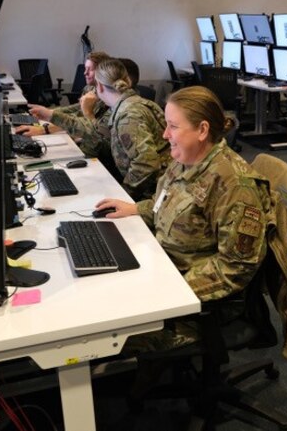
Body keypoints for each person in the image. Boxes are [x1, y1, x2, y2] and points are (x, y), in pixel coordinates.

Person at [94, 85, 273, 352]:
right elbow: (166, 203)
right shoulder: (185, 159)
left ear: (202, 130)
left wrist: (169, 291)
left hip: (198, 307)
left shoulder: (234, 185)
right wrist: (137, 209)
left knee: (104, 334)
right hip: (163, 268)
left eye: (173, 126)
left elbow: (236, 266)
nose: (165, 135)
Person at [87, 58, 170, 200]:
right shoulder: (137, 103)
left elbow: (146, 164)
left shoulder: (128, 115)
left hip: (152, 194)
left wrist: (123, 195)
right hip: (161, 188)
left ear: (99, 86)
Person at [17, 51, 112, 159]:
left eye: (90, 69)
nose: (85, 73)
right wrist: (49, 113)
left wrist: (48, 123)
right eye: (85, 68)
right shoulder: (90, 89)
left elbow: (93, 132)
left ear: (102, 72)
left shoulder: (108, 100)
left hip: (94, 152)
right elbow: (76, 111)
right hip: (84, 142)